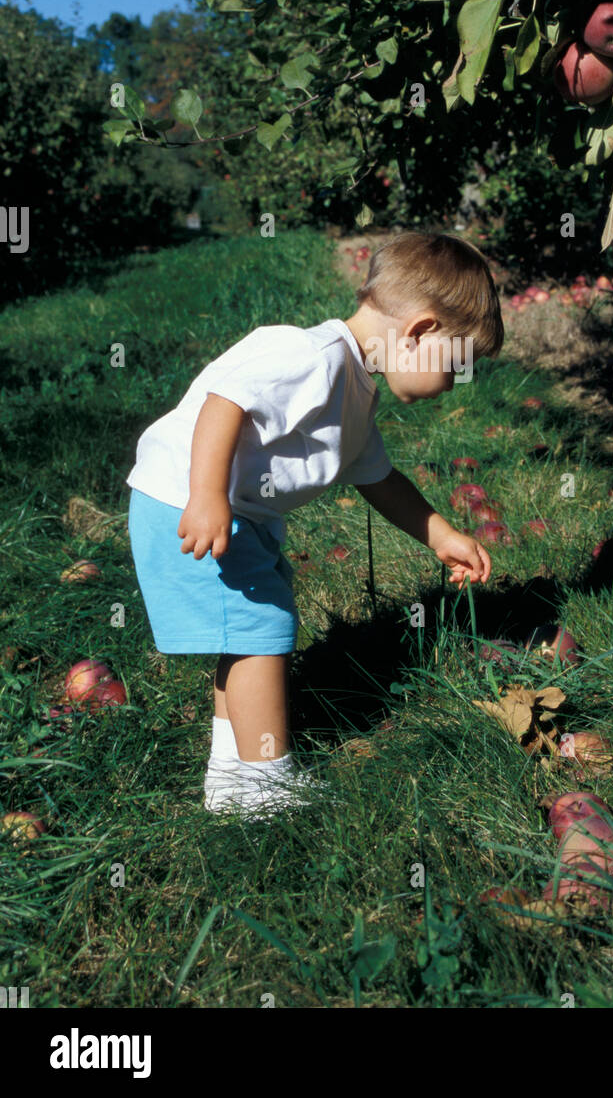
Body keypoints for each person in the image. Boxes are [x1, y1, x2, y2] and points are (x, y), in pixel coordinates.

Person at [126, 231, 504, 818]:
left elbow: (379, 479)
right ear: (420, 331)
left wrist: (442, 535)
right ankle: (268, 786)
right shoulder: (310, 357)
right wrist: (206, 495)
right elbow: (222, 402)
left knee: (246, 633)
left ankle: (232, 780)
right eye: (458, 368)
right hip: (185, 501)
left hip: (223, 511)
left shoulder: (355, 390)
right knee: (260, 627)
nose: (457, 383)